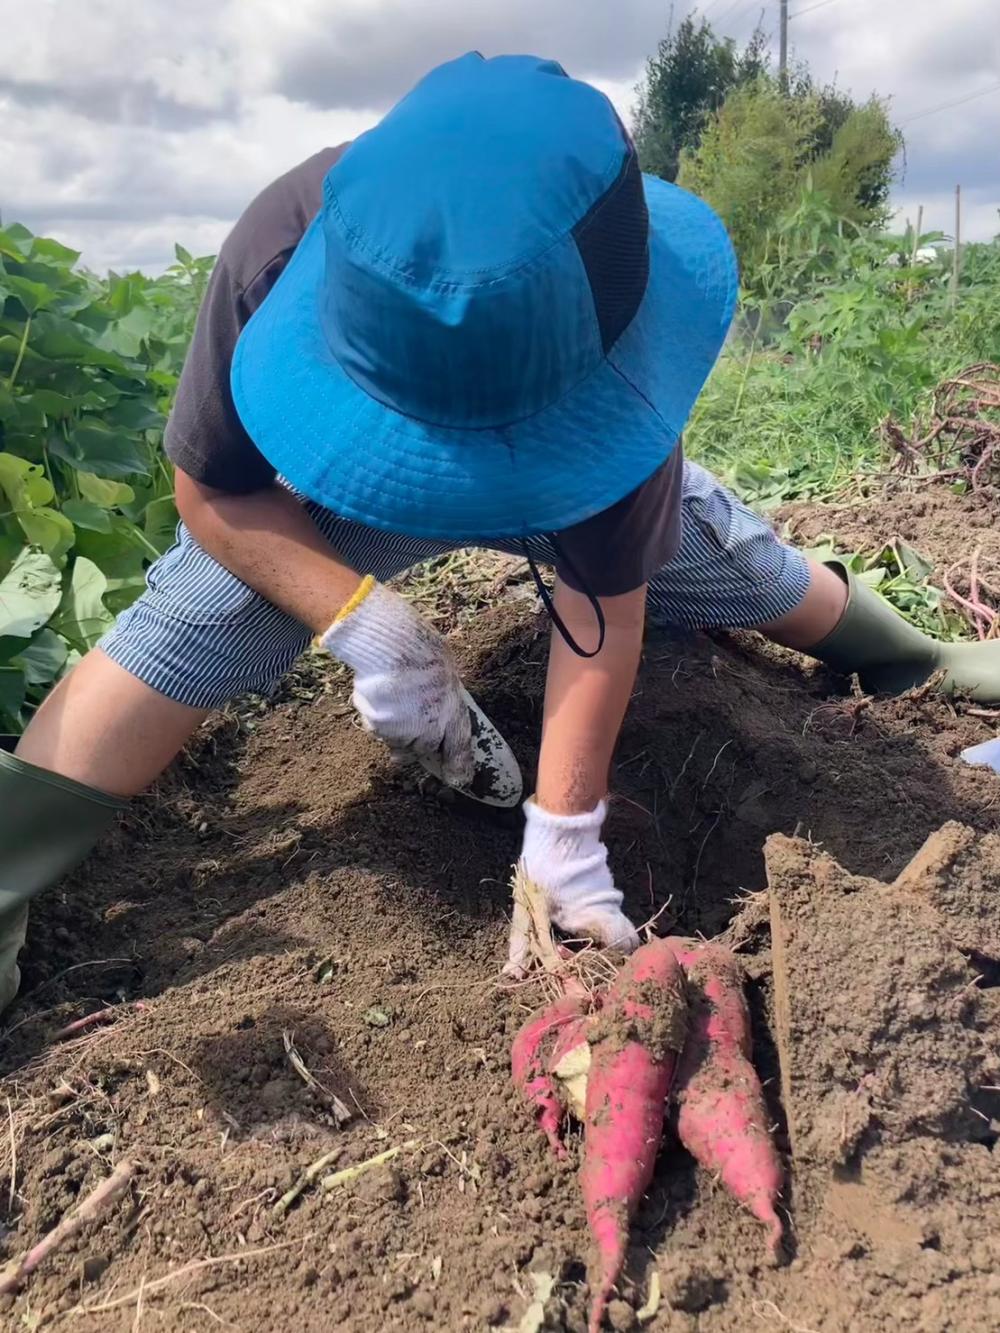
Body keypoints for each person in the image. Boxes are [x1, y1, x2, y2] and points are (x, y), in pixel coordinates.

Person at [3, 53, 999, 1008]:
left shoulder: (610, 312)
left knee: (747, 571)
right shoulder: (281, 244)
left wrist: (565, 830)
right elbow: (214, 492)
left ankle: (910, 656)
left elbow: (605, 600)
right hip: (354, 483)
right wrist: (366, 626)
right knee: (201, 617)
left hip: (576, 461)